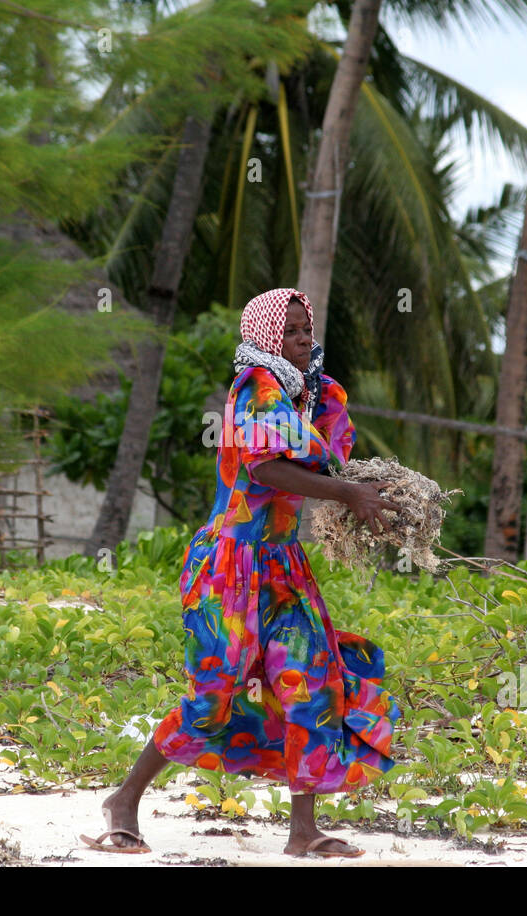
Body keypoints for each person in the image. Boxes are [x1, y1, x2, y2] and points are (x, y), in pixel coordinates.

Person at [81, 287, 403, 858]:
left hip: (282, 566)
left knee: (313, 682)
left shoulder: (314, 394)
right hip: (228, 568)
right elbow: (268, 467)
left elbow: (335, 458)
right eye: (292, 331)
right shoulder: (255, 388)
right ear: (265, 336)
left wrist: (377, 495)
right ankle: (124, 800)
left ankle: (303, 832)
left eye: (308, 330)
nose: (304, 340)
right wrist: (349, 493)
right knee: (213, 696)